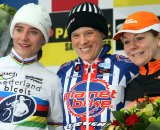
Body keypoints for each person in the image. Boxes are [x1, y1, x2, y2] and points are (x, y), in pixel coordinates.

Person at [57, 2, 139, 130]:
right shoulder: (63, 72)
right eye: (76, 35)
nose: (83, 41)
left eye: (89, 33)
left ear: (102, 33)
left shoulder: (126, 66)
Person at [0, 3, 63, 130]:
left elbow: (56, 126)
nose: (24, 37)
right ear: (12, 32)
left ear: (43, 39)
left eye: (33, 32)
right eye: (19, 29)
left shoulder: (52, 81)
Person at [113, 11, 160, 103]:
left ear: (158, 39)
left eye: (139, 38)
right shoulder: (131, 85)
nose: (132, 47)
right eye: (127, 42)